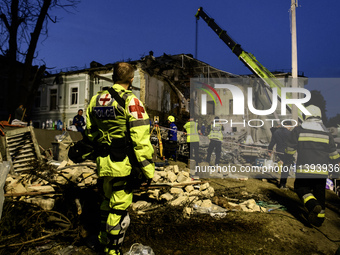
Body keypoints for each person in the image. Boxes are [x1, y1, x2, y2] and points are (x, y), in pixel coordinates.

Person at [85, 62, 155, 254]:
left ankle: (101, 238)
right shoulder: (131, 101)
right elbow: (140, 138)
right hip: (122, 164)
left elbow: (90, 132)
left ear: (114, 76)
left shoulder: (96, 99)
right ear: (131, 80)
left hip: (104, 162)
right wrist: (148, 170)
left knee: (107, 201)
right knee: (118, 207)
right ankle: (112, 249)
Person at [284, 105, 340, 227]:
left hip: (304, 170)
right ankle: (319, 220)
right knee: (320, 193)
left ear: (305, 116)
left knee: (300, 188)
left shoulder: (299, 130)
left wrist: (287, 158)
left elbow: (290, 149)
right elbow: (334, 156)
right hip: (322, 172)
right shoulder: (327, 134)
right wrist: (335, 171)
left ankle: (312, 205)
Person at [268, 120, 292, 189]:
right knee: (286, 167)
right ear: (288, 126)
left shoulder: (276, 132)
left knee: (284, 164)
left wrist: (270, 150)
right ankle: (282, 184)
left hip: (279, 151)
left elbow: (272, 142)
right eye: (290, 126)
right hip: (287, 152)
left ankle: (282, 183)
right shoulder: (290, 133)